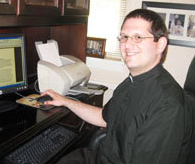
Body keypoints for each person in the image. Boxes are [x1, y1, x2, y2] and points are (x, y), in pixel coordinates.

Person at [41, 9, 192, 164]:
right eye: (124, 37)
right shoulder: (131, 82)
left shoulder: (167, 104)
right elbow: (105, 117)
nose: (127, 45)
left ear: (160, 45)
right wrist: (66, 101)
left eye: (138, 37)